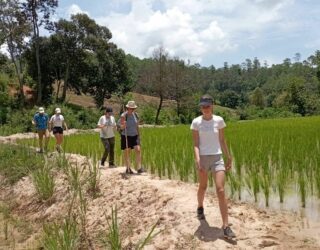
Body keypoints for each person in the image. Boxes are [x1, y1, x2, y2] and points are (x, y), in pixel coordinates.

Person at [190, 94, 236, 239]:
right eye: (203, 106)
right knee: (203, 187)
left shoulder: (219, 121)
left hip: (217, 157)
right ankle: (200, 207)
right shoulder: (196, 122)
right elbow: (196, 144)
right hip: (203, 158)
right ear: (200, 107)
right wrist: (198, 160)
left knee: (220, 189)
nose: (205, 109)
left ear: (212, 106)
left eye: (208, 106)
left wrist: (228, 156)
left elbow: (222, 140)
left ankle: (226, 226)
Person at [119, 100, 144, 174]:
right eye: (130, 108)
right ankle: (128, 168)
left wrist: (139, 135)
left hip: (135, 135)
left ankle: (139, 168)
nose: (132, 110)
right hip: (126, 135)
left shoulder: (136, 115)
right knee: (127, 151)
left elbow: (137, 126)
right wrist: (124, 125)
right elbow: (121, 128)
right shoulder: (123, 116)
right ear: (127, 108)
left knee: (138, 150)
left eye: (133, 108)